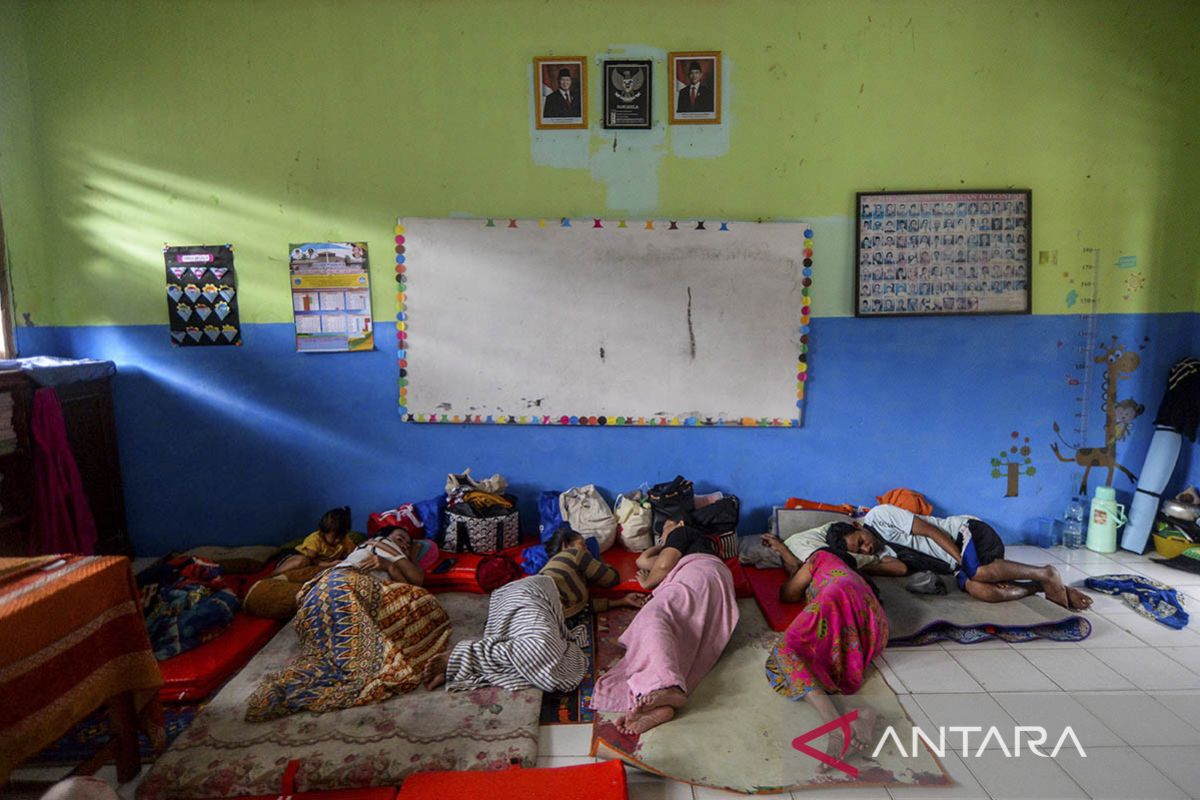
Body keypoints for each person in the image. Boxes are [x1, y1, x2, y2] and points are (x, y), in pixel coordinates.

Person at [245, 526, 451, 720]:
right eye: (400, 538)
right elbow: (417, 579)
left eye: (407, 543)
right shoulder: (382, 543)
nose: (404, 544)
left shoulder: (373, 552)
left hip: (325, 587)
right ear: (384, 537)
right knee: (425, 601)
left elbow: (404, 584)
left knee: (410, 598)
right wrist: (399, 560)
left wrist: (391, 564)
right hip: (349, 581)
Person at [590, 519, 738, 736]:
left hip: (698, 576)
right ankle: (661, 699)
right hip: (714, 583)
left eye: (664, 528)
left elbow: (661, 566)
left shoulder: (684, 531)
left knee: (653, 617)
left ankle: (666, 686)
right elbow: (644, 561)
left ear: (679, 522)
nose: (661, 535)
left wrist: (648, 583)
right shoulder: (684, 548)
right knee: (679, 632)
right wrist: (662, 545)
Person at [759, 526, 889, 764]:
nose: (865, 548)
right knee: (817, 663)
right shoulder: (858, 577)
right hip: (875, 628)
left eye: (860, 542)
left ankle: (835, 727)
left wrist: (794, 580)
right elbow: (796, 569)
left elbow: (788, 594)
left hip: (837, 599)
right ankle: (860, 715)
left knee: (783, 656)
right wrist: (783, 551)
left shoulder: (822, 556)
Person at [828, 504, 1093, 610]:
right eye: (858, 551)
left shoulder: (879, 515)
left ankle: (1048, 573)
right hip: (956, 563)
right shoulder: (879, 553)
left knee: (978, 573)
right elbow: (898, 569)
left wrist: (965, 563)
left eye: (861, 543)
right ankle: (1040, 585)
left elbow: (930, 531)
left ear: (857, 526)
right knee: (982, 591)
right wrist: (860, 566)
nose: (865, 549)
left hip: (965, 534)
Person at [540, 526, 648, 617]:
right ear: (566, 546)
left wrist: (623, 601)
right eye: (583, 545)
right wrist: (598, 561)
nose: (588, 551)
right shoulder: (574, 554)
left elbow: (581, 607)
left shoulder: (555, 572)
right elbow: (612, 579)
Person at [273, 506, 357, 574]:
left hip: (320, 563)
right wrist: (329, 564)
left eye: (342, 536)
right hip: (299, 556)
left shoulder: (345, 540)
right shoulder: (315, 540)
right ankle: (273, 574)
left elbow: (353, 551)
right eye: (335, 537)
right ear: (323, 531)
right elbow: (312, 560)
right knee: (302, 561)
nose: (338, 540)